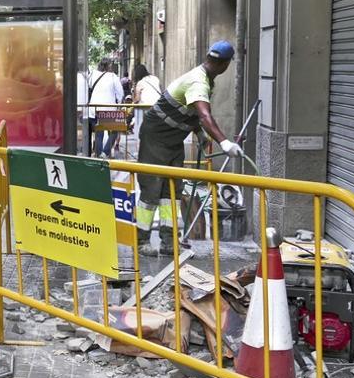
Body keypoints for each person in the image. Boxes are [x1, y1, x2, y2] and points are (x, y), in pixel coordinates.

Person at [136, 41, 243, 256]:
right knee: (151, 188)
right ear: (225, 64)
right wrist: (224, 142)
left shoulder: (205, 80)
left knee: (171, 192)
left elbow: (191, 113)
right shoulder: (198, 81)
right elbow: (204, 115)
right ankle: (142, 242)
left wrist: (200, 134)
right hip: (156, 137)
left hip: (173, 140)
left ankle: (168, 242)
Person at [92, 59, 124, 158]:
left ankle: (98, 155)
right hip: (108, 108)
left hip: (94, 108)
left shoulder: (93, 75)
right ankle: (105, 152)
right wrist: (119, 104)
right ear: (108, 66)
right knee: (114, 131)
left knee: (99, 133)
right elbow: (120, 94)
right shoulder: (113, 76)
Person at [130, 62, 161, 140]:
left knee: (141, 127)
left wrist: (133, 89)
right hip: (157, 106)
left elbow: (137, 99)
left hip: (145, 108)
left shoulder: (140, 83)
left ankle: (140, 144)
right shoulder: (155, 78)